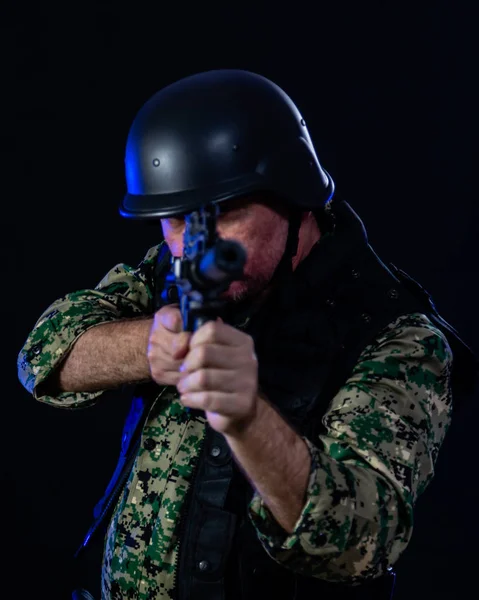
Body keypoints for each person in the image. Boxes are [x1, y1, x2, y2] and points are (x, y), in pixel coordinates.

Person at [17, 70, 477, 600]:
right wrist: (148, 346)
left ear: (294, 195)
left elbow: (361, 541)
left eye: (223, 214)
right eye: (174, 220)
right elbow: (40, 357)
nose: (194, 246)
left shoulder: (398, 339)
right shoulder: (172, 270)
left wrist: (247, 418)